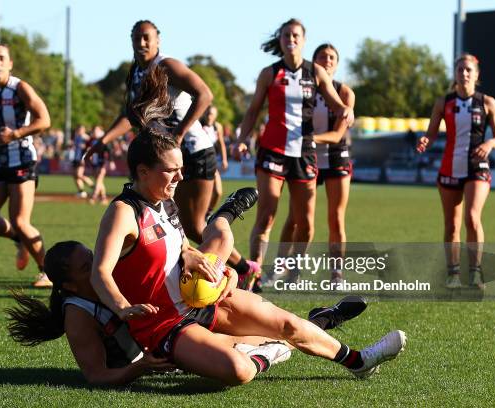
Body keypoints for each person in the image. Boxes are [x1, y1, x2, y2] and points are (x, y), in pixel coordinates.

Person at [88, 86, 404, 385]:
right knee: (238, 369)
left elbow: (178, 243)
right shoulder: (123, 212)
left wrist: (191, 255)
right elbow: (100, 272)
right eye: (172, 170)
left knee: (288, 325)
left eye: (182, 168)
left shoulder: (165, 202)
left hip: (201, 297)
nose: (181, 176)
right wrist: (121, 306)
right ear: (143, 172)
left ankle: (360, 361)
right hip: (166, 326)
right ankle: (316, 323)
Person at [6, 238, 367, 386]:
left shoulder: (110, 271)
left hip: (175, 330)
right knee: (256, 348)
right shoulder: (78, 313)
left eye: (94, 256)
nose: (100, 264)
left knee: (277, 331)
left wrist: (213, 271)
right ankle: (322, 319)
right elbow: (96, 376)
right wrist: (140, 369)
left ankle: (322, 321)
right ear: (69, 285)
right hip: (161, 354)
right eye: (88, 267)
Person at [85, 20, 259, 285]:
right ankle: (166, 274)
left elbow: (205, 95)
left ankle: (239, 269)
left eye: (146, 38)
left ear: (158, 41)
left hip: (193, 152)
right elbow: (131, 115)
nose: (141, 43)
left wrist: (178, 133)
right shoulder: (134, 73)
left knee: (194, 226)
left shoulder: (166, 66)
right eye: (136, 38)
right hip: (164, 158)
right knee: (168, 221)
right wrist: (104, 140)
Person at [234, 19, 354, 282]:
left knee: (306, 224)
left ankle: (293, 271)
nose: (291, 38)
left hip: (304, 154)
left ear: (303, 39)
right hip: (272, 151)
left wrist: (346, 110)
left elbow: (336, 104)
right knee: (266, 217)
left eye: (296, 35)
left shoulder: (316, 73)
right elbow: (253, 110)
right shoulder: (269, 73)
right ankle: (253, 278)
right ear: (281, 40)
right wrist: (242, 138)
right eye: (286, 35)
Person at [416, 53, 495, 289]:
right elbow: (432, 132)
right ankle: (453, 273)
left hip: (477, 167)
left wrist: (488, 144)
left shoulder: (487, 102)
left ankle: (475, 272)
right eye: (460, 70)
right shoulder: (443, 102)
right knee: (451, 224)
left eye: (468, 70)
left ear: (476, 75)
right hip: (449, 167)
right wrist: (426, 140)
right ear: (455, 74)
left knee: (472, 218)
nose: (464, 74)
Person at [0, 44, 52, 287]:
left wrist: (16, 134)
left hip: (21, 159)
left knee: (20, 220)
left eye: (1, 58)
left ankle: (47, 272)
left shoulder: (20, 88)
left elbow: (44, 119)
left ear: (10, 63)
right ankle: (20, 240)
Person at [279, 43, 355, 284]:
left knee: (336, 218)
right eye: (322, 56)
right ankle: (285, 268)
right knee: (295, 219)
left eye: (332, 57)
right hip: (305, 157)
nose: (327, 60)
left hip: (334, 158)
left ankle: (336, 273)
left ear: (337, 63)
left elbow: (337, 135)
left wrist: (307, 139)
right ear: (313, 62)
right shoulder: (303, 88)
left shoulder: (345, 92)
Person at [87, 125, 109, 205]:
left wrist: (111, 161)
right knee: (99, 181)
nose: (94, 132)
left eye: (96, 130)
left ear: (100, 131)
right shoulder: (92, 140)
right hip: (95, 163)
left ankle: (94, 197)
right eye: (94, 131)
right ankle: (103, 198)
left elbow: (109, 151)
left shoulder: (104, 139)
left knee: (99, 179)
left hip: (103, 162)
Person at [71, 125, 94, 199]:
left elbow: (90, 147)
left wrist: (85, 149)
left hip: (82, 158)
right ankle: (81, 191)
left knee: (79, 174)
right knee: (75, 176)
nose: (79, 131)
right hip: (76, 158)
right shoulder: (76, 137)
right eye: (78, 129)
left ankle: (94, 187)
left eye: (81, 129)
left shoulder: (86, 138)